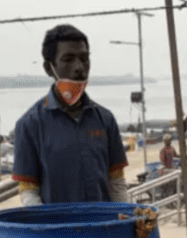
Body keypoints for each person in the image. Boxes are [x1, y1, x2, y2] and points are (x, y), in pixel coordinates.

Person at [12, 25, 130, 206]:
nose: (79, 68)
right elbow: (29, 191)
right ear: (49, 68)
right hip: (59, 231)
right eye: (68, 59)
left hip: (103, 228)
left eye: (84, 59)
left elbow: (116, 183)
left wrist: (125, 220)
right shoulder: (29, 125)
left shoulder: (105, 119)